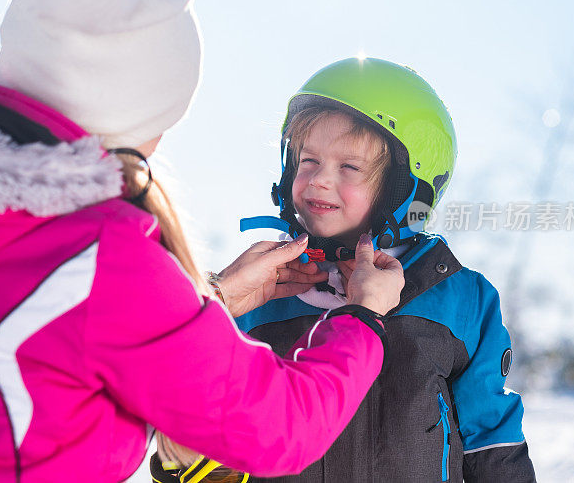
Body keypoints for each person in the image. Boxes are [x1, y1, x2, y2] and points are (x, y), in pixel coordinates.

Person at [0, 0, 407, 482]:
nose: (157, 143)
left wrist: (213, 300)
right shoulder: (99, 259)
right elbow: (278, 428)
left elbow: (45, 354)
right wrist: (362, 317)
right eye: (159, 121)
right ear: (121, 107)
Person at [177, 57, 536, 482]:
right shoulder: (256, 298)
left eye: (349, 167)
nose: (318, 180)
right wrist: (210, 308)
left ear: (406, 189)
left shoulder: (460, 299)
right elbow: (199, 441)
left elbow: (492, 445)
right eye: (308, 160)